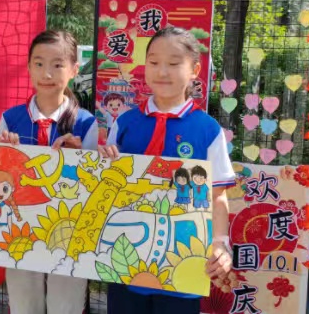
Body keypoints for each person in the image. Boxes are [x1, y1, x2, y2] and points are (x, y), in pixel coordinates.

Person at [98, 25, 235, 314]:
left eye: (173, 64)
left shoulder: (207, 130)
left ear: (194, 70)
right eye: (154, 62)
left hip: (182, 264)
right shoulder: (125, 123)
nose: (162, 71)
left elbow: (218, 195)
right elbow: (107, 185)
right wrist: (103, 165)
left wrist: (221, 244)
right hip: (125, 260)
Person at [0, 30, 98, 314]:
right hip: (19, 229)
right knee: (23, 303)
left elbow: (91, 187)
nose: (47, 73)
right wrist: (5, 154)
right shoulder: (10, 119)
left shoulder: (85, 123)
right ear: (28, 67)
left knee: (66, 305)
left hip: (69, 232)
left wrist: (79, 158)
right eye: (39, 63)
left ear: (74, 70)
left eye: (58, 64)